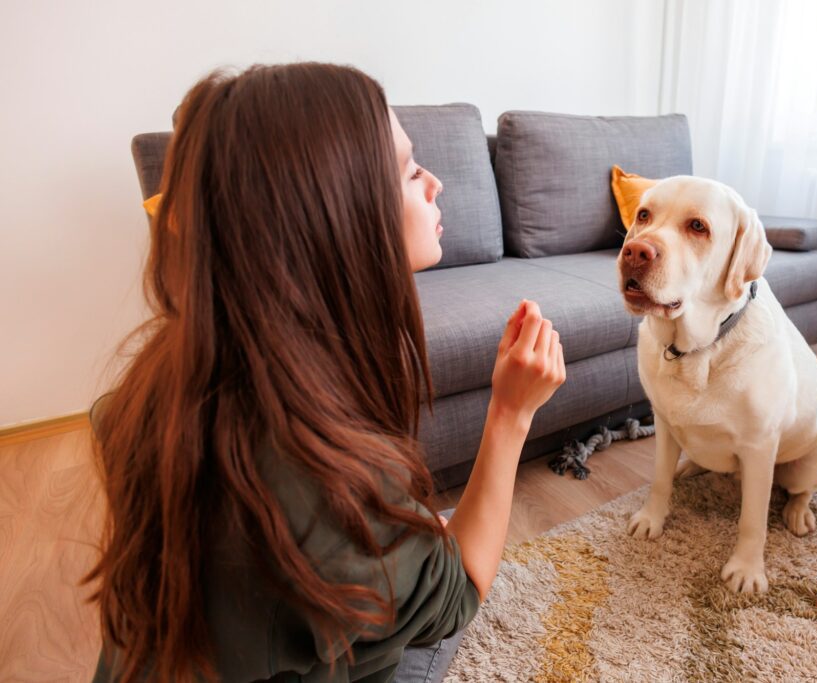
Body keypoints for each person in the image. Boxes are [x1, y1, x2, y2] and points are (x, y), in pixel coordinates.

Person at [87, 62, 565, 682]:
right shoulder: (314, 477)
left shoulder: (149, 386)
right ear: (333, 214)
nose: (436, 183)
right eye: (409, 169)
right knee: (451, 565)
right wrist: (511, 412)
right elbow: (457, 596)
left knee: (436, 529)